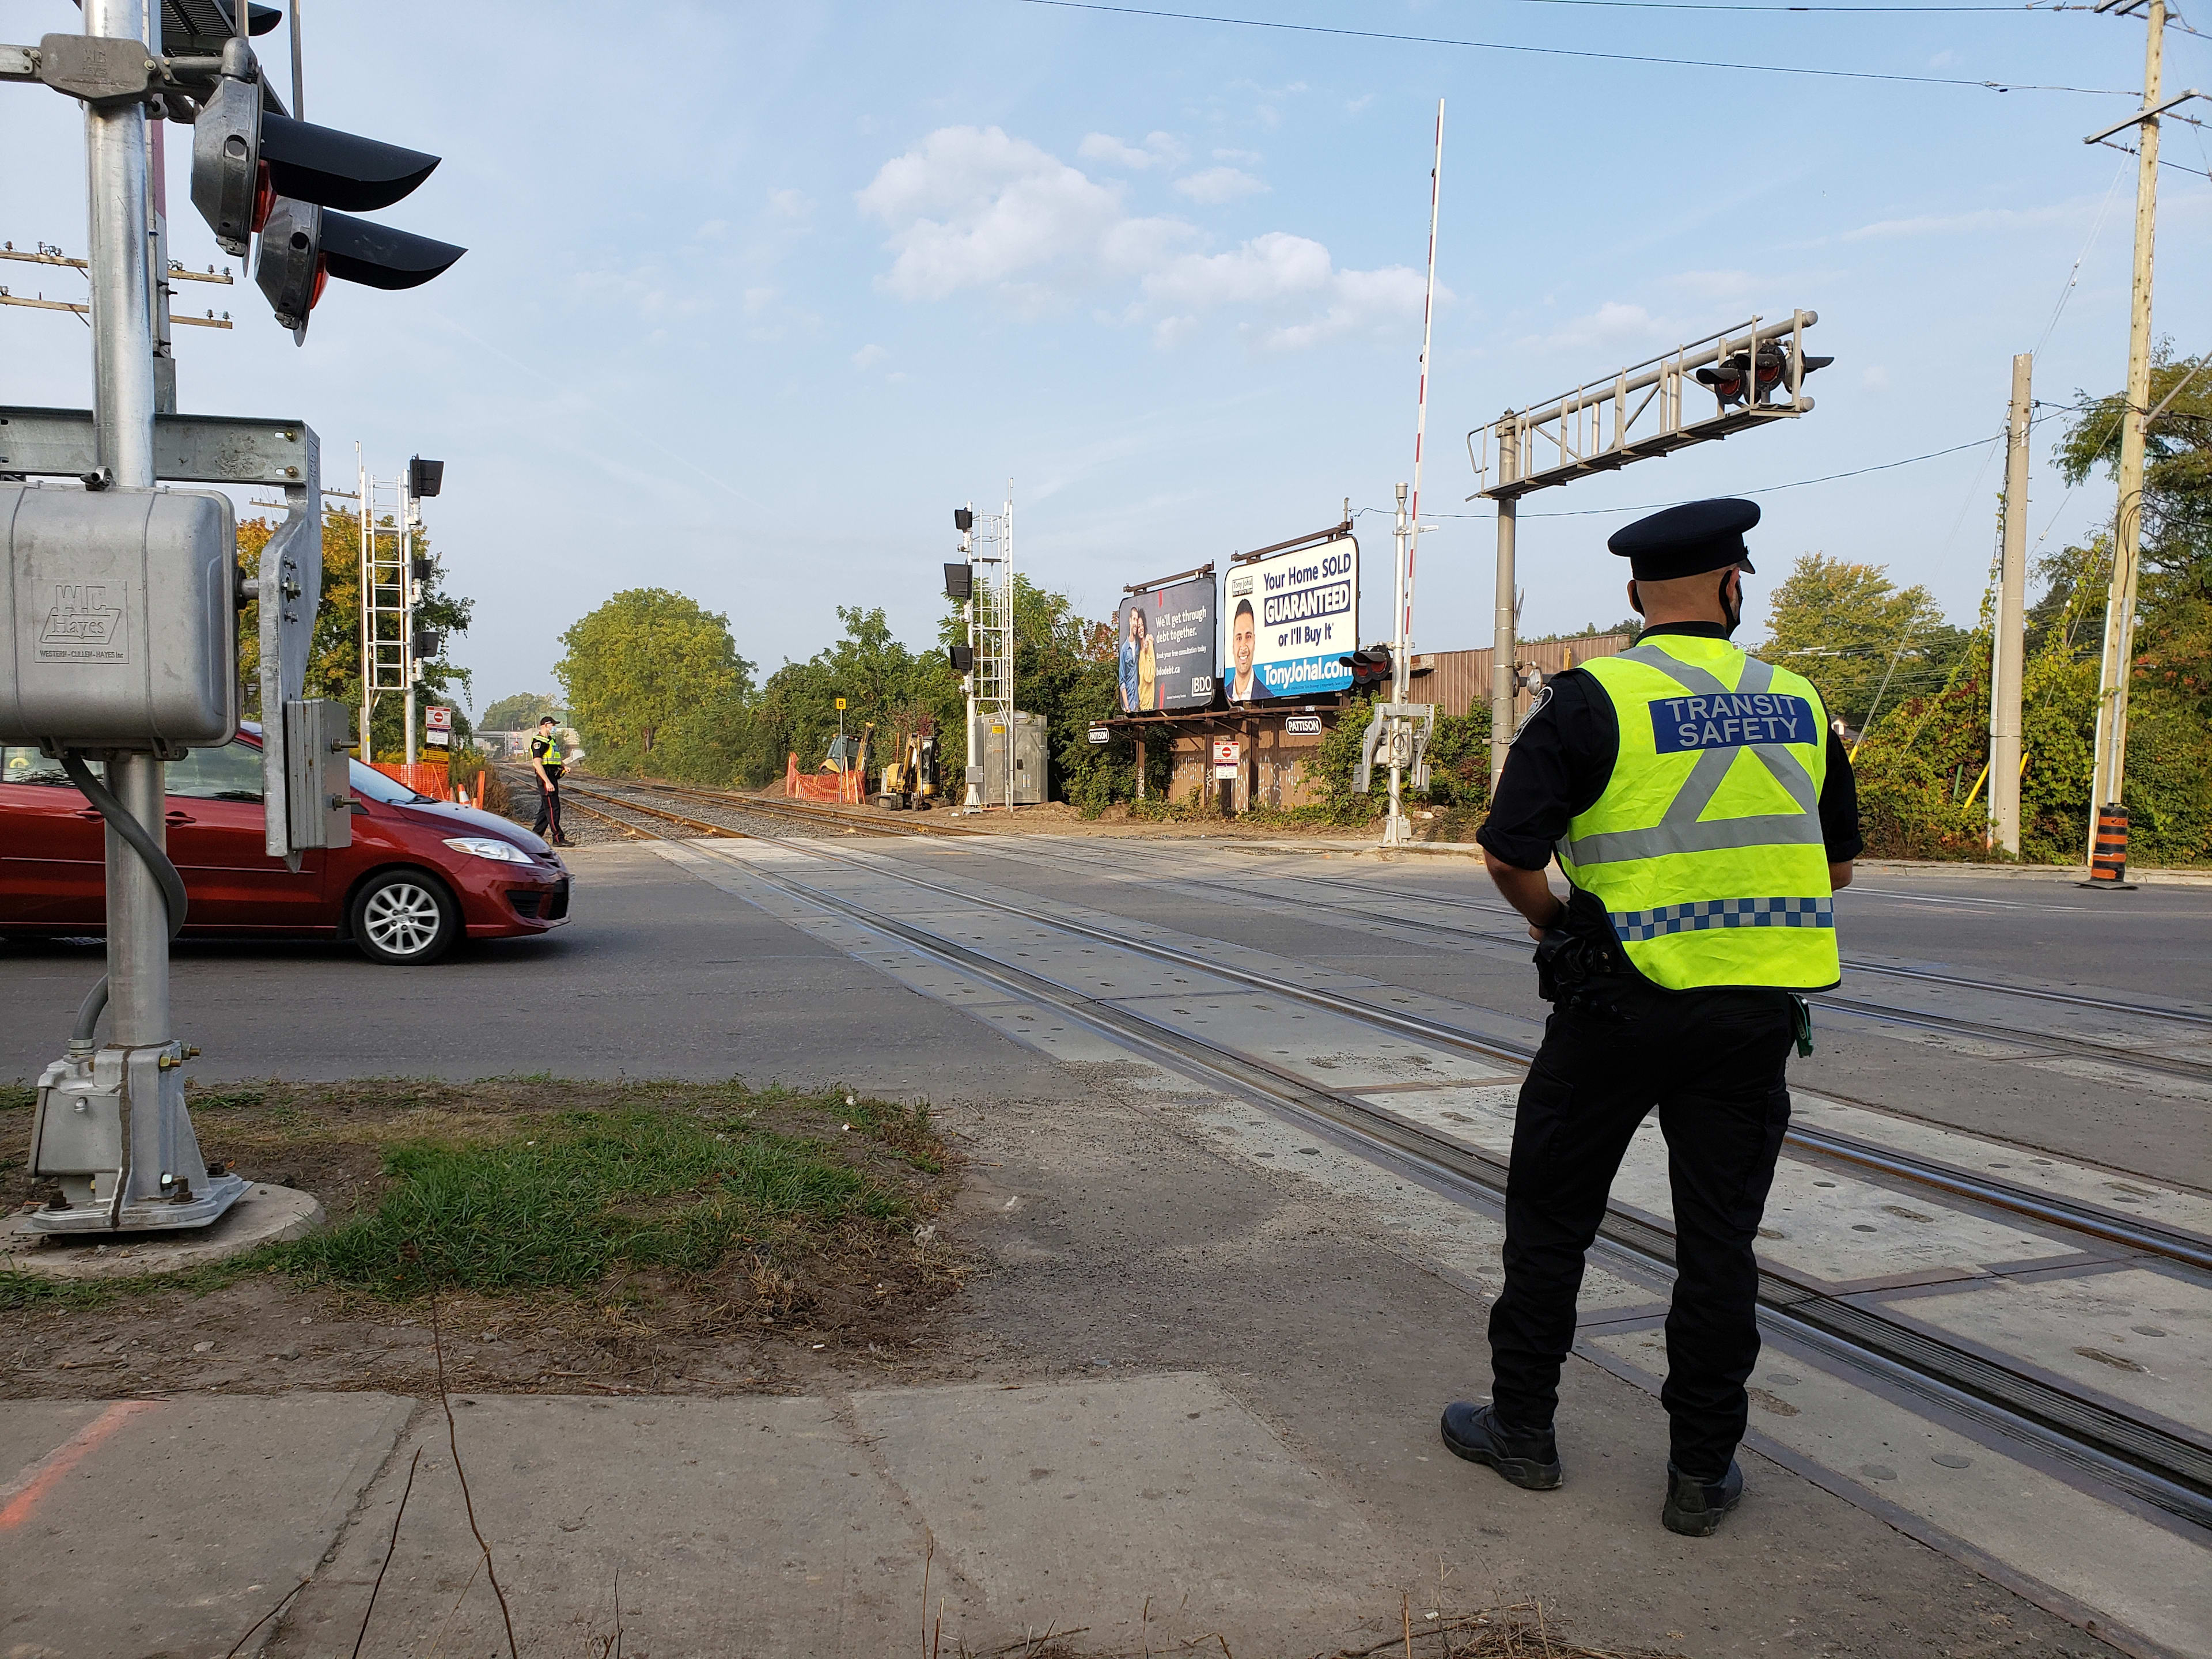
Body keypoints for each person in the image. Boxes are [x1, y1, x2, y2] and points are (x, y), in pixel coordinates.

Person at [1440, 498, 1862, 1538]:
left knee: (1552, 1217)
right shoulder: (1799, 703)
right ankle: (1700, 1473)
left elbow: (1509, 851)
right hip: (1752, 1014)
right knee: (1720, 1245)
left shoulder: (1593, 702)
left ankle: (1524, 1432)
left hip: (1617, 1008)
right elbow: (1837, 864)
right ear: (1733, 587)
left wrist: (1556, 930)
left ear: (1636, 596)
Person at [529, 715, 571, 847]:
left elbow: (555, 758)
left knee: (545, 810)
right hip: (545, 777)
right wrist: (547, 782)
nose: (554, 727)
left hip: (552, 775)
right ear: (546, 725)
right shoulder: (539, 742)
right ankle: (558, 838)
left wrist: (563, 766)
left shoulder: (550, 741)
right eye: (553, 725)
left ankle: (534, 838)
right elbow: (537, 763)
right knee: (553, 808)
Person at [1228, 599, 1262, 702]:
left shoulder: (1267, 694)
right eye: (1239, 638)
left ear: (1254, 641)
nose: (1243, 647)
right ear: (1233, 645)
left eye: (1248, 637)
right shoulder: (1225, 697)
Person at [1120, 608, 1146, 714]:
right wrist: (1127, 707)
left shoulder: (1139, 645)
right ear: (1130, 621)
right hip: (1130, 704)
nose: (1135, 623)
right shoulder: (1124, 650)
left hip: (1141, 702)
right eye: (1134, 619)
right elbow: (1122, 682)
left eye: (1137, 620)